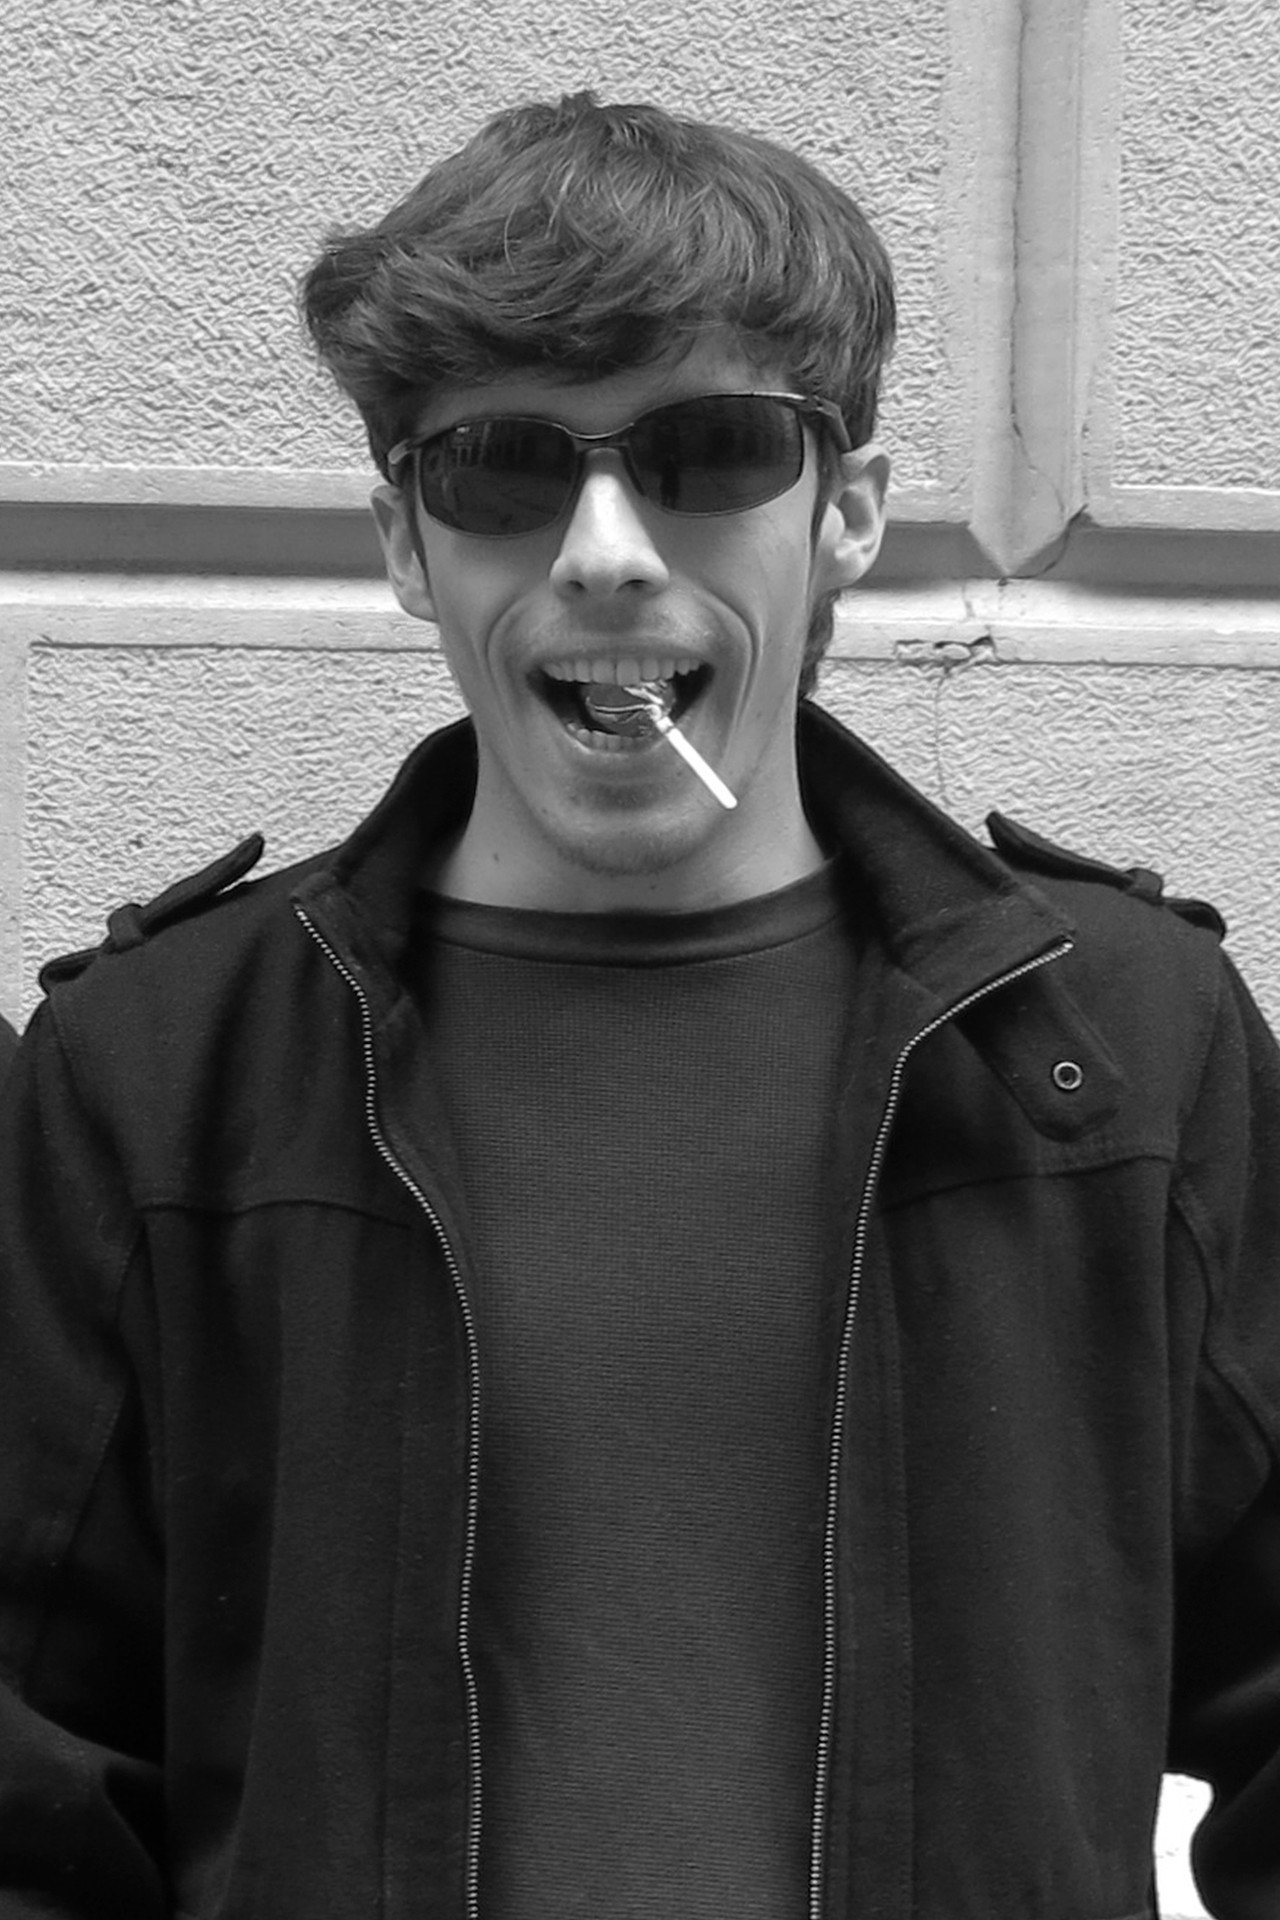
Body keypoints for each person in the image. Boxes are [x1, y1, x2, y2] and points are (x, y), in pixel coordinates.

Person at [0, 91, 1277, 1920]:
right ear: (405, 541)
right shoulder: (153, 1076)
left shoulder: (1125, 1048)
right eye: (501, 469)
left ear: (844, 516)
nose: (604, 550)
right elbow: (35, 1796)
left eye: (710, 451)